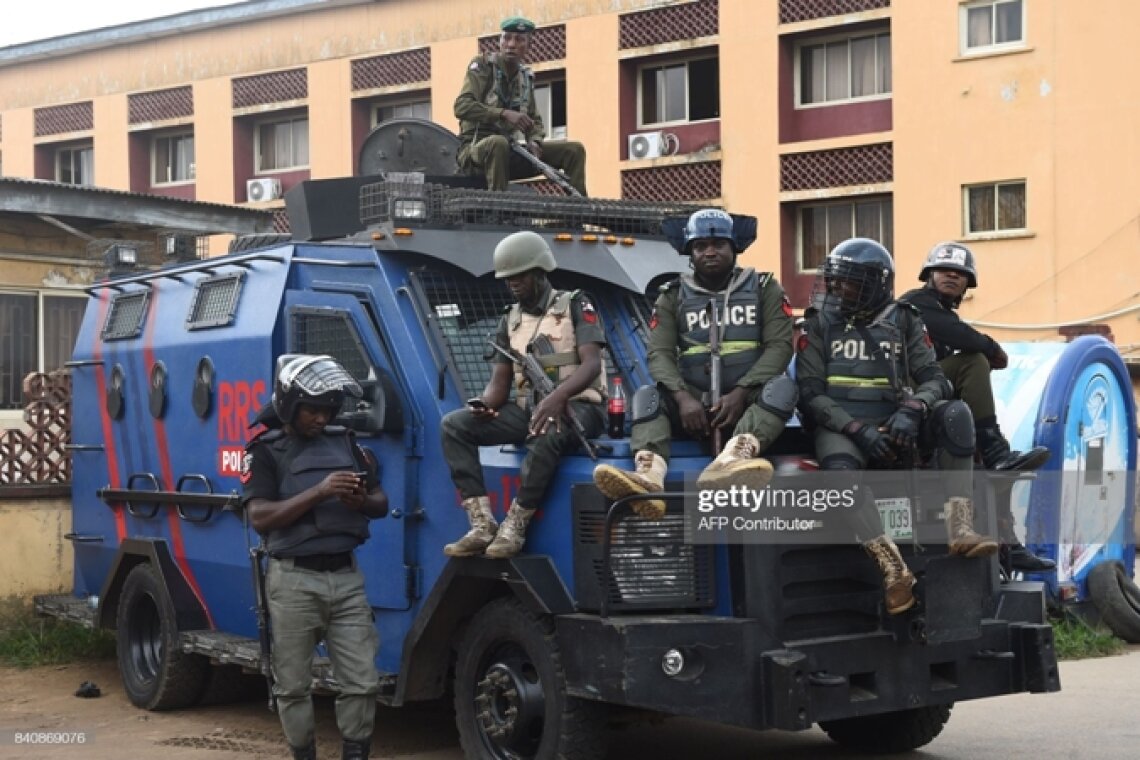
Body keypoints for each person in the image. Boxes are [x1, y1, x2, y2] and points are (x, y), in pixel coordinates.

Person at [796, 238, 998, 615]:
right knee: (839, 478)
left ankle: (961, 528)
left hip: (898, 419)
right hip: (842, 427)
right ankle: (892, 567)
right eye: (834, 280)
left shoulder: (904, 318)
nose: (837, 288)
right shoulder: (818, 323)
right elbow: (810, 393)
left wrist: (914, 408)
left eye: (847, 281)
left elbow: (935, 378)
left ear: (875, 282)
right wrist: (857, 429)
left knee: (955, 413)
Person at [592, 208, 798, 519]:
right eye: (701, 246)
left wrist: (741, 392)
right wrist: (683, 398)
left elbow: (781, 347)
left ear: (734, 248)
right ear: (690, 253)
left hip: (747, 400)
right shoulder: (672, 296)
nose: (710, 252)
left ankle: (733, 460)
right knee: (648, 395)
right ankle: (648, 478)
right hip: (694, 406)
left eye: (719, 245)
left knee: (783, 388)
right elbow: (658, 354)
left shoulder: (764, 287)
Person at [242, 355, 388, 760]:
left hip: (346, 579)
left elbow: (380, 502)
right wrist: (320, 492)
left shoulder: (346, 443)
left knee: (362, 682)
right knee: (292, 685)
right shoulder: (267, 451)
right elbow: (260, 517)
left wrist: (360, 499)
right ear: (289, 404)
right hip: (293, 583)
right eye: (312, 409)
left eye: (327, 410)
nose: (320, 419)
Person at [440, 230, 606, 558]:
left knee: (547, 432)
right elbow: (499, 382)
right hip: (529, 408)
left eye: (520, 276)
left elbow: (591, 364)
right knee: (453, 425)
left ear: (540, 271)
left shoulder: (575, 303)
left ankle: (515, 524)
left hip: (581, 406)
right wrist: (484, 405)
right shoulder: (510, 319)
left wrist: (558, 397)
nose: (512, 283)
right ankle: (481, 523)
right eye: (508, 278)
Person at [899, 241, 1053, 572]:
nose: (952, 276)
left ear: (968, 284)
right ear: (929, 275)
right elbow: (963, 338)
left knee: (991, 470)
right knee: (973, 360)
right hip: (908, 396)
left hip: (935, 396)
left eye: (960, 273)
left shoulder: (939, 313)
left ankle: (1008, 542)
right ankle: (993, 444)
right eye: (944, 270)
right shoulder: (915, 305)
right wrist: (991, 348)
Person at [453, 16, 588, 195]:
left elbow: (534, 122)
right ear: (499, 42)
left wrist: (535, 140)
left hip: (509, 154)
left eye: (519, 39)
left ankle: (577, 213)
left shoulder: (524, 78)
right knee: (497, 143)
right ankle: (498, 209)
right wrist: (502, 113)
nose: (511, 44)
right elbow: (461, 106)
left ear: (528, 46)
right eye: (506, 38)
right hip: (474, 154)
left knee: (574, 150)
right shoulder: (483, 66)